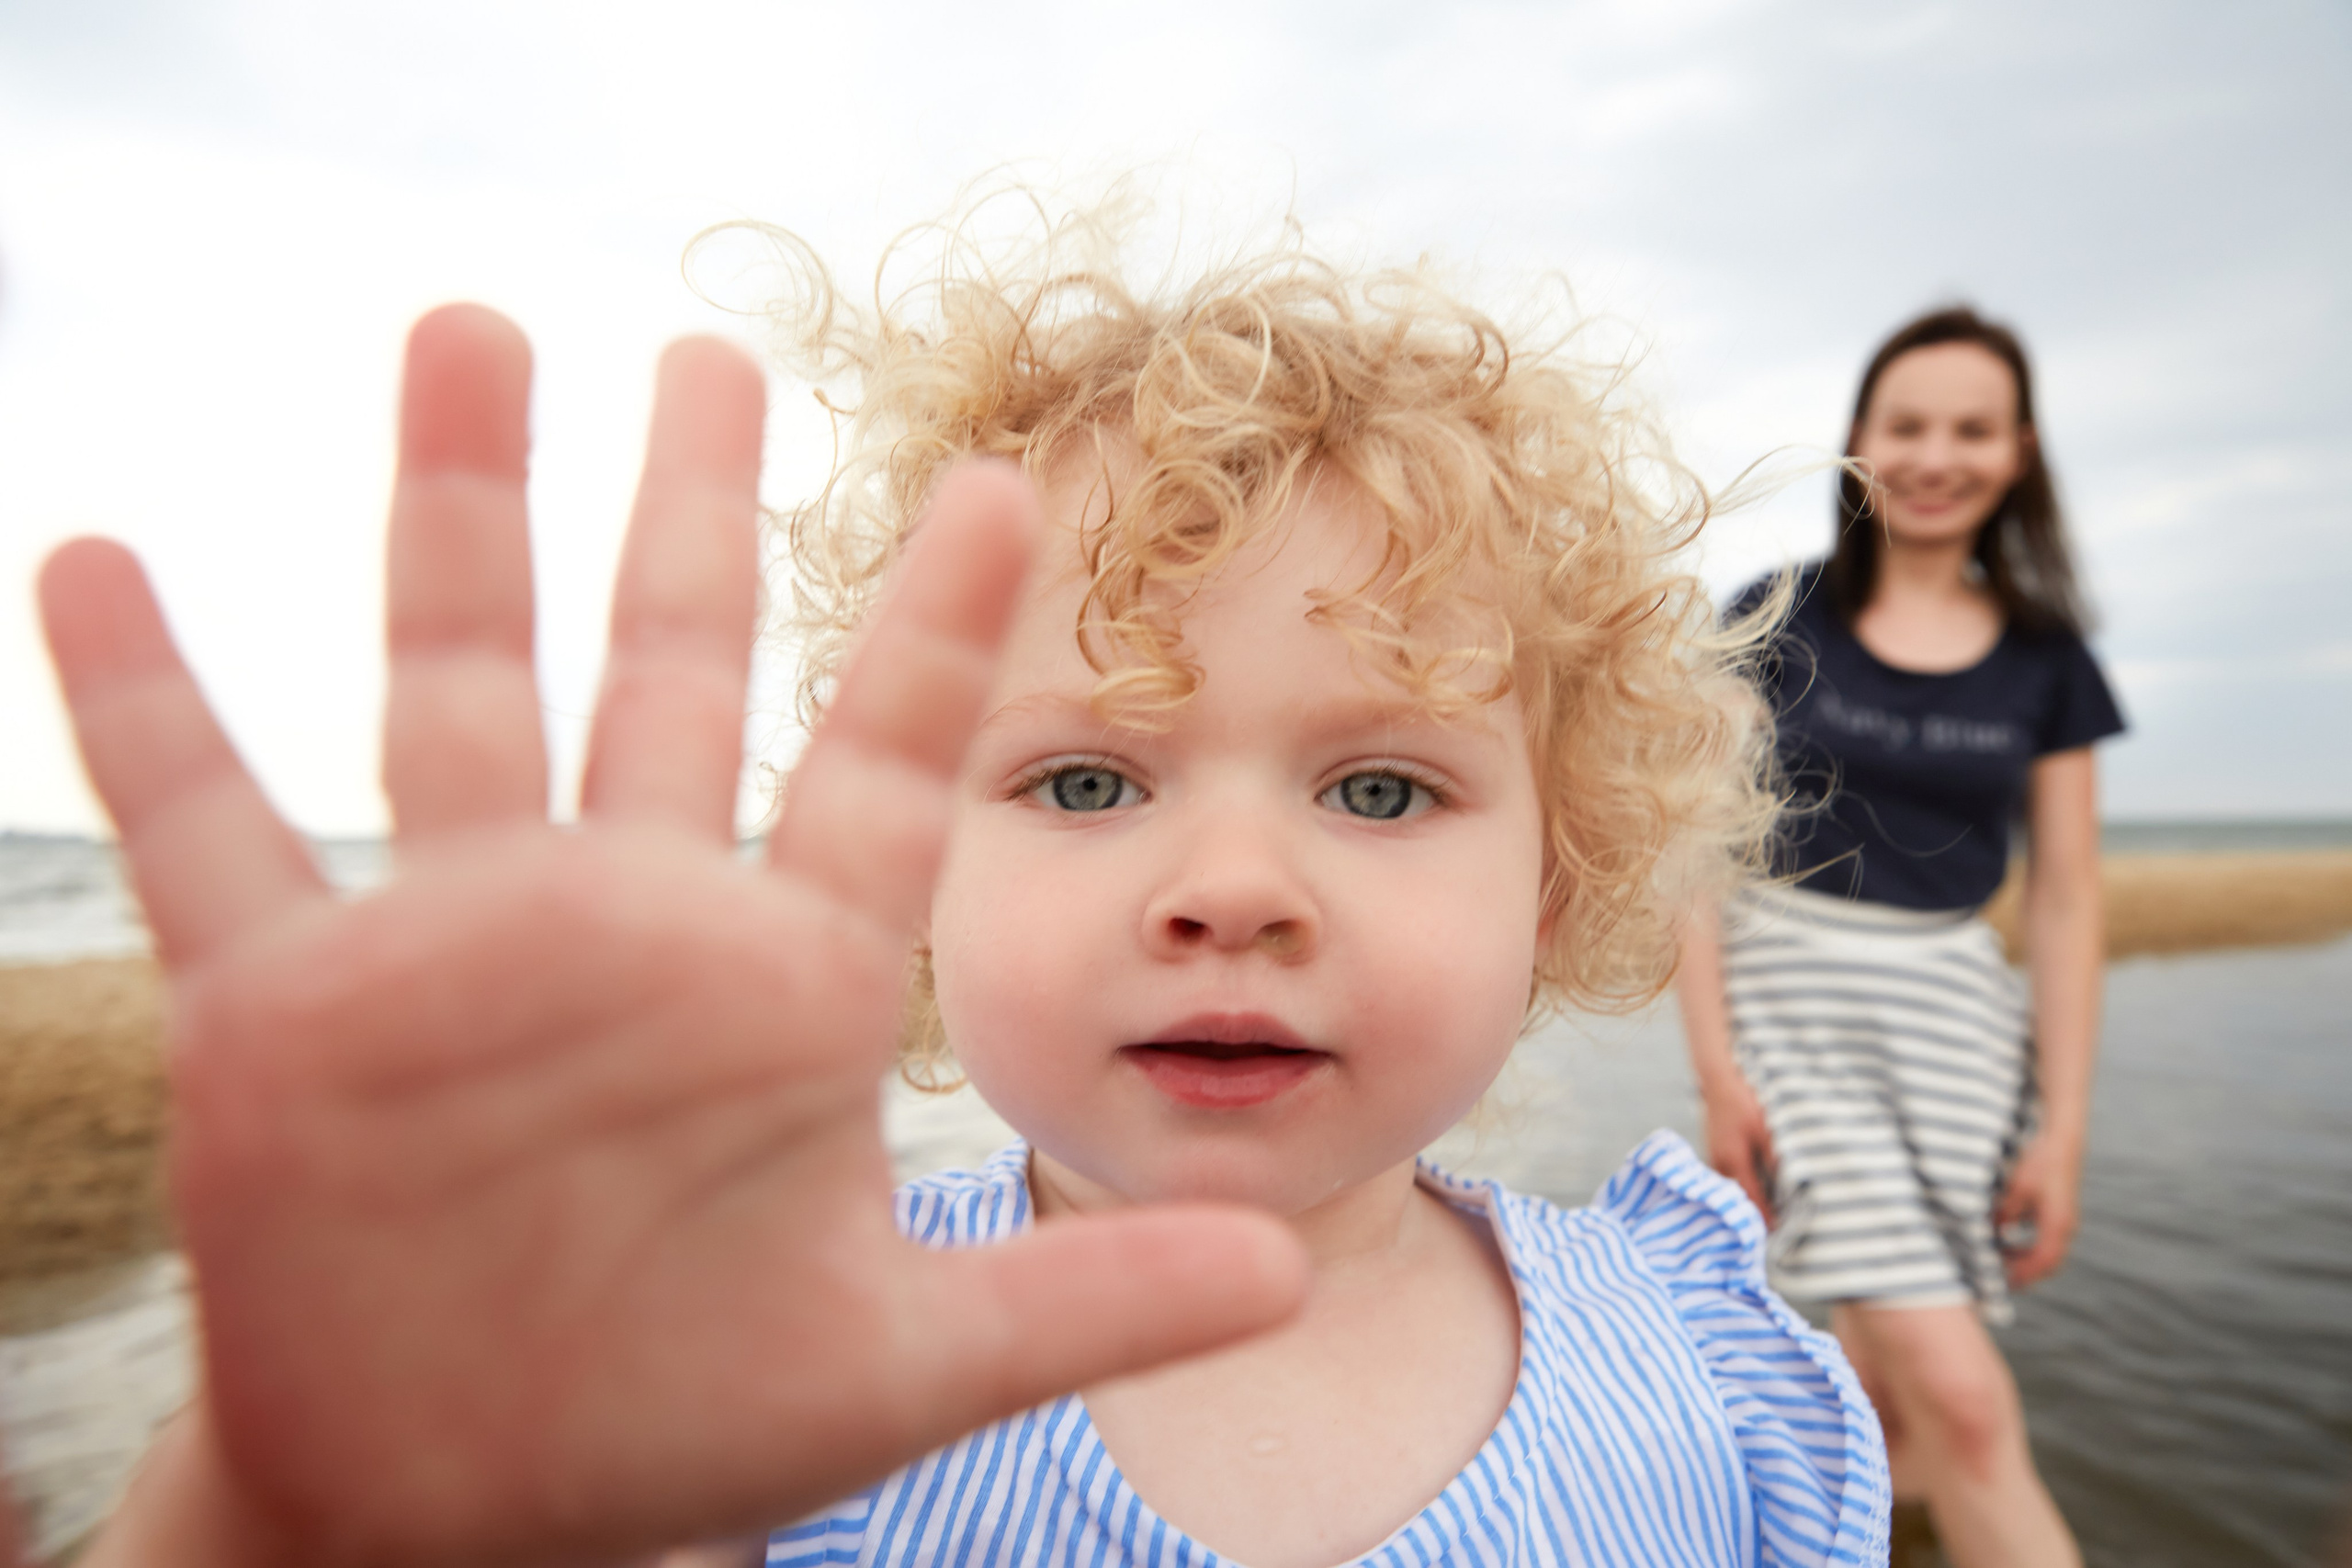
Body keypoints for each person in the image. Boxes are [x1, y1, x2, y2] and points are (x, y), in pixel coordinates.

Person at [36, 206, 1890, 1568]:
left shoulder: (1705, 1358)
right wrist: (280, 1519)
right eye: (1082, 776)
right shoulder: (754, 1376)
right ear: (910, 874)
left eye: (1382, 782)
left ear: (1555, 878)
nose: (1231, 887)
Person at [1678, 306, 2124, 1567]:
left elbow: (2069, 894)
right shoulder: (1772, 614)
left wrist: (2066, 1127)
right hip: (1789, 1004)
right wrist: (1716, 1072)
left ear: (2019, 452)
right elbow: (1695, 851)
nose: (1938, 455)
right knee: (1972, 1405)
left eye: (1972, 429)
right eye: (1908, 424)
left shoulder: (2050, 660)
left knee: (1897, 1404)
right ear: (1862, 441)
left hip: (1955, 1018)